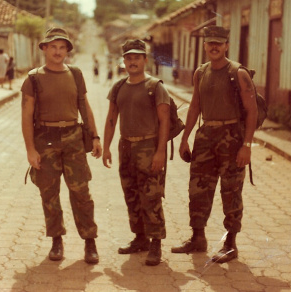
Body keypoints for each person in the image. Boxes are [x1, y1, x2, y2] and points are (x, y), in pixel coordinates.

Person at [171, 26, 258, 263]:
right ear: (205, 45)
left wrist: (247, 145)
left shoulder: (238, 72)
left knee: (231, 192)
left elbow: (252, 111)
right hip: (206, 135)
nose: (214, 46)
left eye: (219, 43)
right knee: (198, 189)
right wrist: (185, 137)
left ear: (227, 45)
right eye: (210, 43)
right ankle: (198, 238)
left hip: (232, 137)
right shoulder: (200, 72)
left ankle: (230, 244)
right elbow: (195, 106)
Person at [21, 27, 102, 264]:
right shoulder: (33, 78)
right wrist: (30, 149)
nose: (57, 52)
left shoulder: (75, 74)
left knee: (81, 192)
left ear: (67, 50)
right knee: (49, 193)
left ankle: (90, 241)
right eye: (53, 47)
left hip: (73, 137)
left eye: (62, 47)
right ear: (44, 48)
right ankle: (56, 240)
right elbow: (26, 116)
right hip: (45, 139)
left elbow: (85, 108)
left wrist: (95, 137)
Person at [102, 39, 170, 266]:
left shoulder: (155, 86)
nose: (132, 62)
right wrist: (107, 147)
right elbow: (111, 119)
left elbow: (164, 122)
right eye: (128, 58)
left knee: (151, 196)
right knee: (131, 194)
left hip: (148, 146)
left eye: (137, 57)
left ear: (145, 60)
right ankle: (140, 238)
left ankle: (156, 244)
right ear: (124, 61)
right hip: (127, 147)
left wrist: (160, 152)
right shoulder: (119, 87)